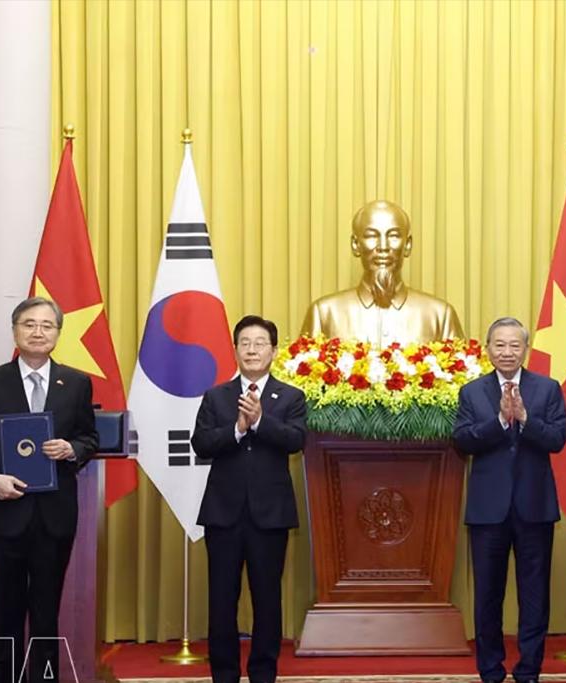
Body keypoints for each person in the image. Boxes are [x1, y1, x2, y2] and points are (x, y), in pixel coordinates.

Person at [0, 296, 98, 683]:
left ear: (58, 333)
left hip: (55, 516)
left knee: (45, 610)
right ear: (15, 330)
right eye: (29, 324)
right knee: (6, 610)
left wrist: (74, 449)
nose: (38, 331)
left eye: (47, 325)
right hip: (6, 513)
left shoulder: (75, 382)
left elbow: (89, 437)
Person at [193, 315, 308, 683]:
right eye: (245, 342)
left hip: (269, 516)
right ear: (235, 349)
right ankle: (224, 675)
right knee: (222, 602)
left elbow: (295, 440)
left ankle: (263, 673)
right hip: (223, 514)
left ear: (273, 351)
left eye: (260, 343)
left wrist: (259, 422)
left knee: (267, 601)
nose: (253, 349)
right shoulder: (216, 396)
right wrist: (237, 430)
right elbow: (202, 444)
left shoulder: (291, 396)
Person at [453, 317, 566, 683]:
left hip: (535, 507)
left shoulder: (547, 389)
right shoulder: (471, 392)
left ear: (526, 349)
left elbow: (557, 439)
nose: (507, 352)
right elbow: (463, 441)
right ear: (488, 348)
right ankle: (490, 669)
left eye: (514, 345)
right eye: (499, 345)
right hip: (489, 510)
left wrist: (525, 419)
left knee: (534, 595)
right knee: (488, 595)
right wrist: (501, 421)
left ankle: (529, 669)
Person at [300, 200, 463, 344]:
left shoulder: (440, 315)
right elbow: (301, 376)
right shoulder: (324, 313)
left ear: (407, 245)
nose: (383, 247)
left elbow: (463, 376)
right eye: (371, 236)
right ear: (355, 245)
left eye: (394, 236)